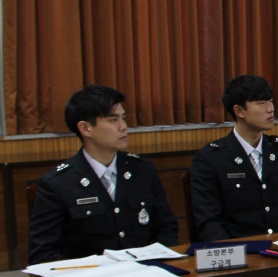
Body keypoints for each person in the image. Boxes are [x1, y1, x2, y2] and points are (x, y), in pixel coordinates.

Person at [28, 85, 177, 263]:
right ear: (85, 128)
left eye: (123, 118)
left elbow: (166, 229)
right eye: (113, 120)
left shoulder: (143, 170)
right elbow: (43, 253)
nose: (123, 127)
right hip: (91, 276)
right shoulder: (58, 184)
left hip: (145, 270)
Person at [190, 75, 278, 240]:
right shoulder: (211, 159)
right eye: (261, 103)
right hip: (241, 251)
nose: (270, 109)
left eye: (270, 101)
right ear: (239, 111)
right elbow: (210, 222)